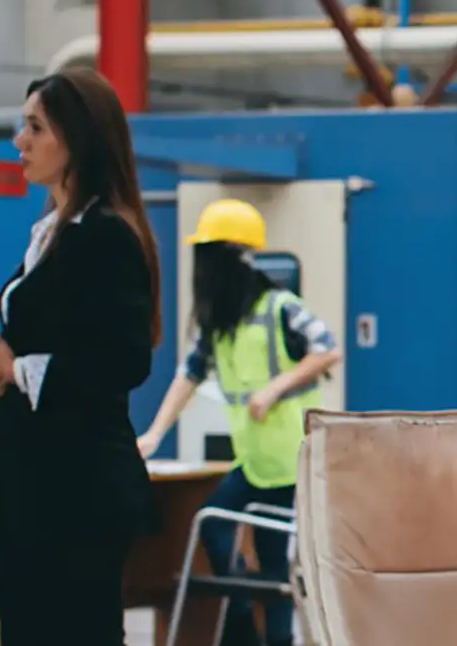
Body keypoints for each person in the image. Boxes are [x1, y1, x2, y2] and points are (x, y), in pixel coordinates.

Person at [0, 68, 162, 645]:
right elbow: (63, 346)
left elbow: (125, 361)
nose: (19, 141)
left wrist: (17, 369)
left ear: (77, 138)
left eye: (35, 127)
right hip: (34, 488)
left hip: (77, 493)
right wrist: (7, 379)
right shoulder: (51, 231)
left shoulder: (106, 235)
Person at [135, 198, 341, 646]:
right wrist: (153, 434)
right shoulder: (219, 326)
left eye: (209, 256)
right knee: (212, 524)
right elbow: (187, 377)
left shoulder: (281, 308)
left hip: (290, 464)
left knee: (274, 562)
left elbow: (327, 349)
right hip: (253, 462)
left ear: (234, 258)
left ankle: (276, 639)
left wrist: (274, 388)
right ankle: (241, 622)